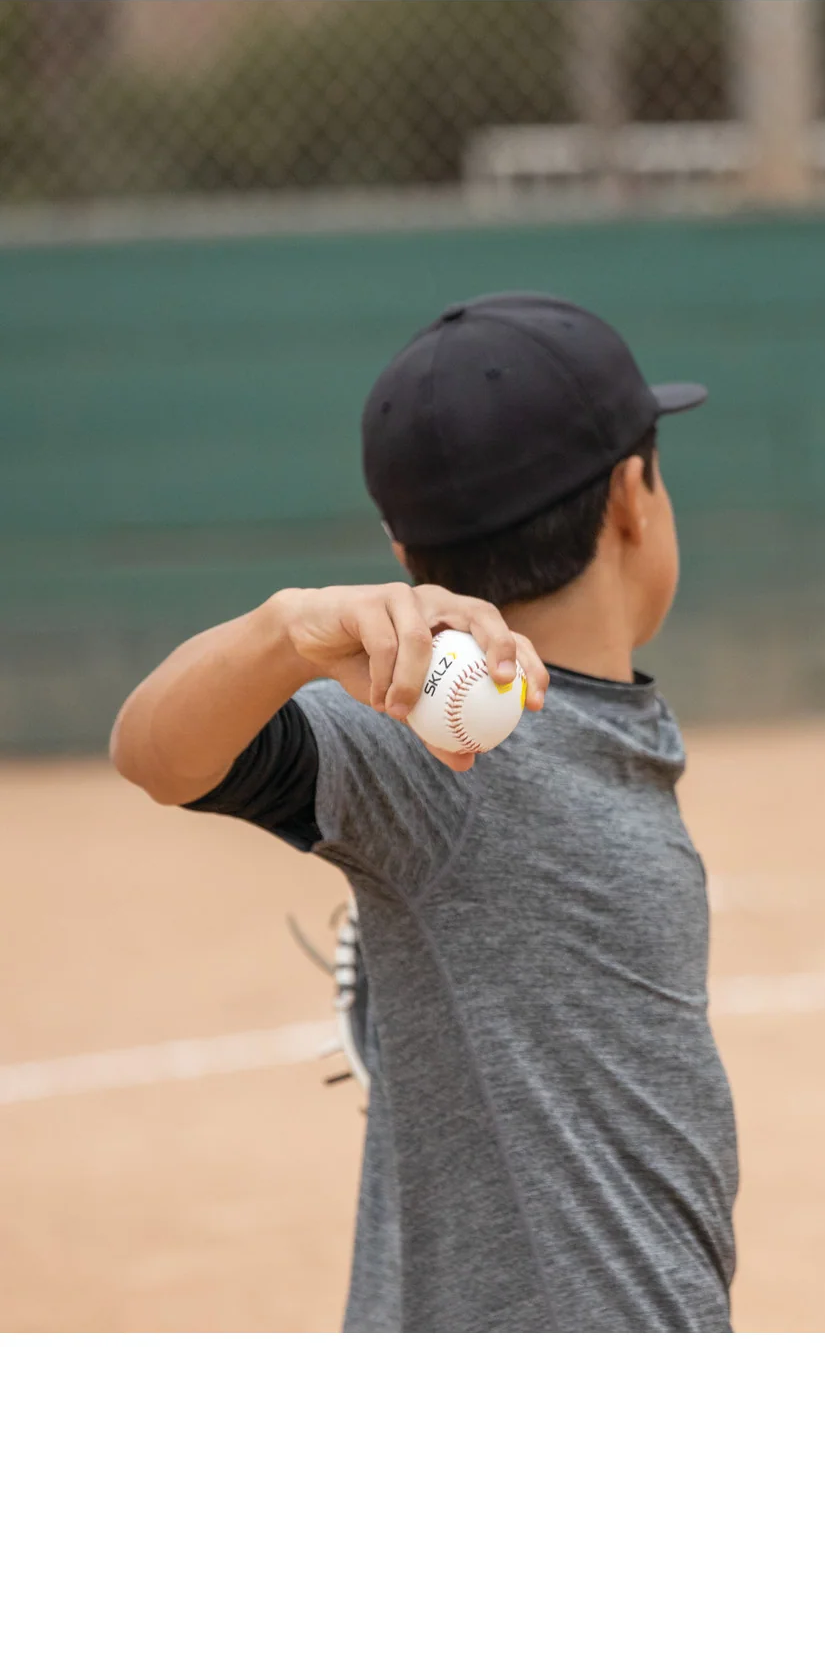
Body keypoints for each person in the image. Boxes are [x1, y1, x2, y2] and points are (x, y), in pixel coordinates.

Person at [110, 293, 737, 1332]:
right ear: (634, 497)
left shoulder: (570, 724)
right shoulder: (437, 748)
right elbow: (154, 754)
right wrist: (287, 630)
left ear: (403, 548)